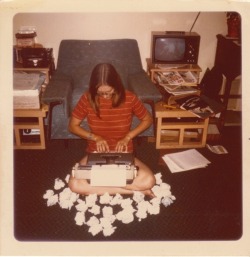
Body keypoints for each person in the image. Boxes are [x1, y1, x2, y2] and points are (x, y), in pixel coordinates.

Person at [68, 63, 156, 196]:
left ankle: (101, 187)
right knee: (74, 184)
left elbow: (148, 119)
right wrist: (95, 137)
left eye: (109, 92)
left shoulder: (130, 98)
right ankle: (133, 191)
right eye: (101, 93)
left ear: (117, 85)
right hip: (96, 153)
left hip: (123, 154)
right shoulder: (87, 98)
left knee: (149, 180)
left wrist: (128, 137)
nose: (105, 96)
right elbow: (72, 126)